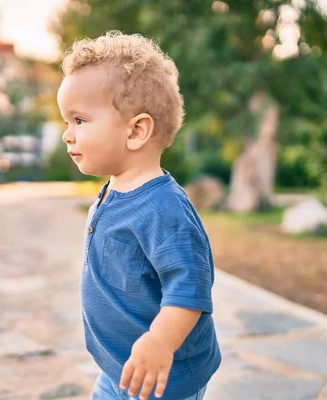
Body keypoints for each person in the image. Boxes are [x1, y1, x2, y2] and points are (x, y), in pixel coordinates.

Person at [57, 31, 221, 400]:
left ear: (136, 131)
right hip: (119, 366)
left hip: (161, 377)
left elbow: (190, 288)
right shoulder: (116, 187)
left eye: (79, 120)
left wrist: (160, 344)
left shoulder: (165, 211)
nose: (67, 135)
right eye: (66, 122)